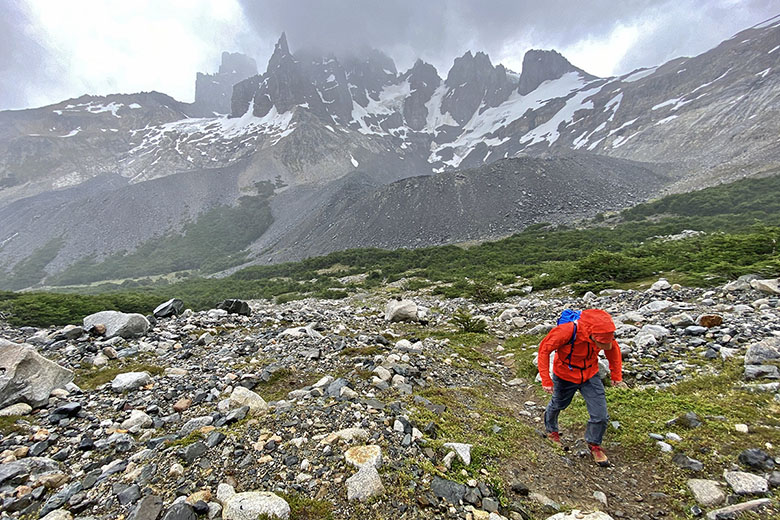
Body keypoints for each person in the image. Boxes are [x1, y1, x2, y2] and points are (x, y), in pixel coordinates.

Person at [537, 308, 627, 466]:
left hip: (590, 374)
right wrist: (546, 379)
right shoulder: (566, 331)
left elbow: (613, 351)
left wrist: (616, 375)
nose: (603, 345)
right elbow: (544, 349)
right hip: (565, 375)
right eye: (600, 343)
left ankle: (594, 444)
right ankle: (552, 431)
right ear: (590, 334)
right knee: (559, 404)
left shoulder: (604, 334)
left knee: (600, 415)